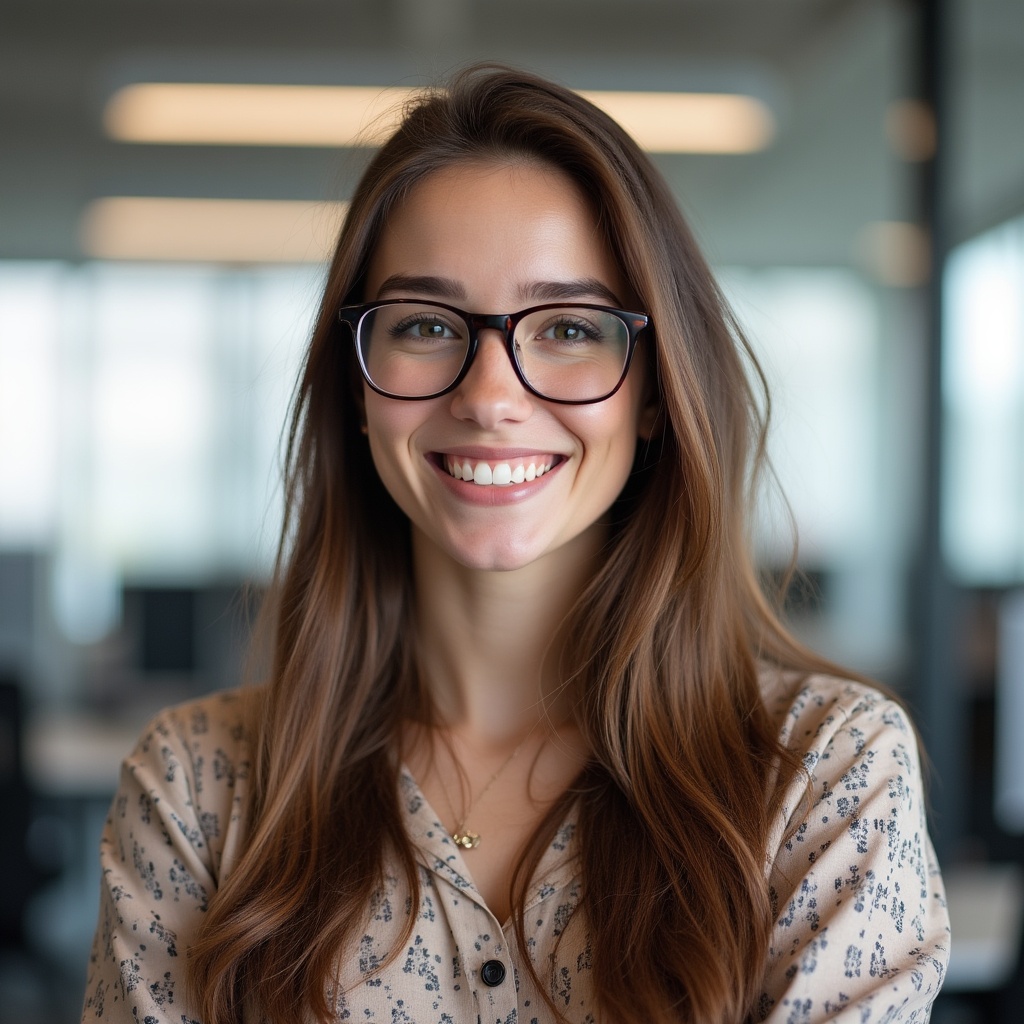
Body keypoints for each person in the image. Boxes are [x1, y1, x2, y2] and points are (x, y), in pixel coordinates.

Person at [81, 64, 949, 1024]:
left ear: (657, 390)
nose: (490, 396)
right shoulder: (199, 787)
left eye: (570, 327)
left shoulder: (823, 771)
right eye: (422, 323)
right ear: (357, 393)